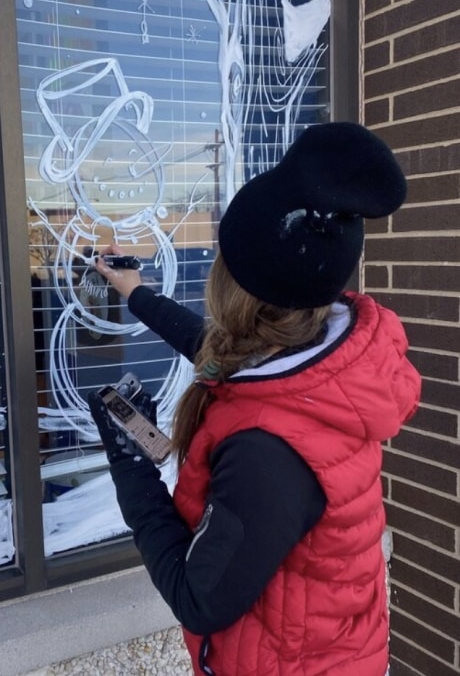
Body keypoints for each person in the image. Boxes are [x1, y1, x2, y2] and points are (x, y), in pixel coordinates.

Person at [88, 122, 422, 676]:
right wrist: (135, 292)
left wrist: (132, 463)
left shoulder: (269, 453)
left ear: (234, 284)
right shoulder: (317, 369)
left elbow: (199, 598)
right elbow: (213, 351)